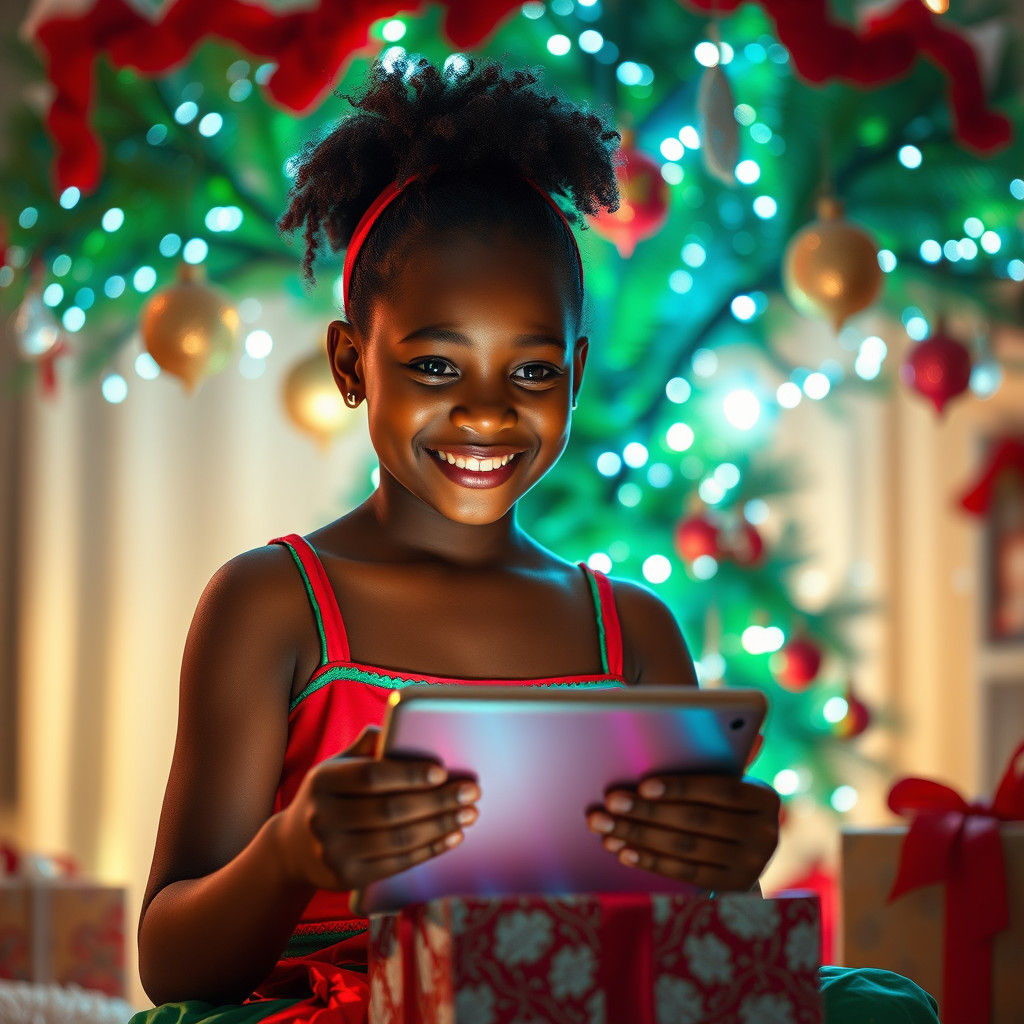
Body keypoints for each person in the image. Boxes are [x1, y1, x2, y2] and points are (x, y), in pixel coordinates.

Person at [129, 55, 938, 1024]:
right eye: (436, 365)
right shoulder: (272, 603)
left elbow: (709, 954)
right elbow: (171, 963)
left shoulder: (632, 633)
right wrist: (289, 852)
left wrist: (725, 867)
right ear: (351, 363)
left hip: (578, 996)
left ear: (576, 374)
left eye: (532, 372)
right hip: (350, 1005)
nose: (486, 412)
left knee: (883, 1009)